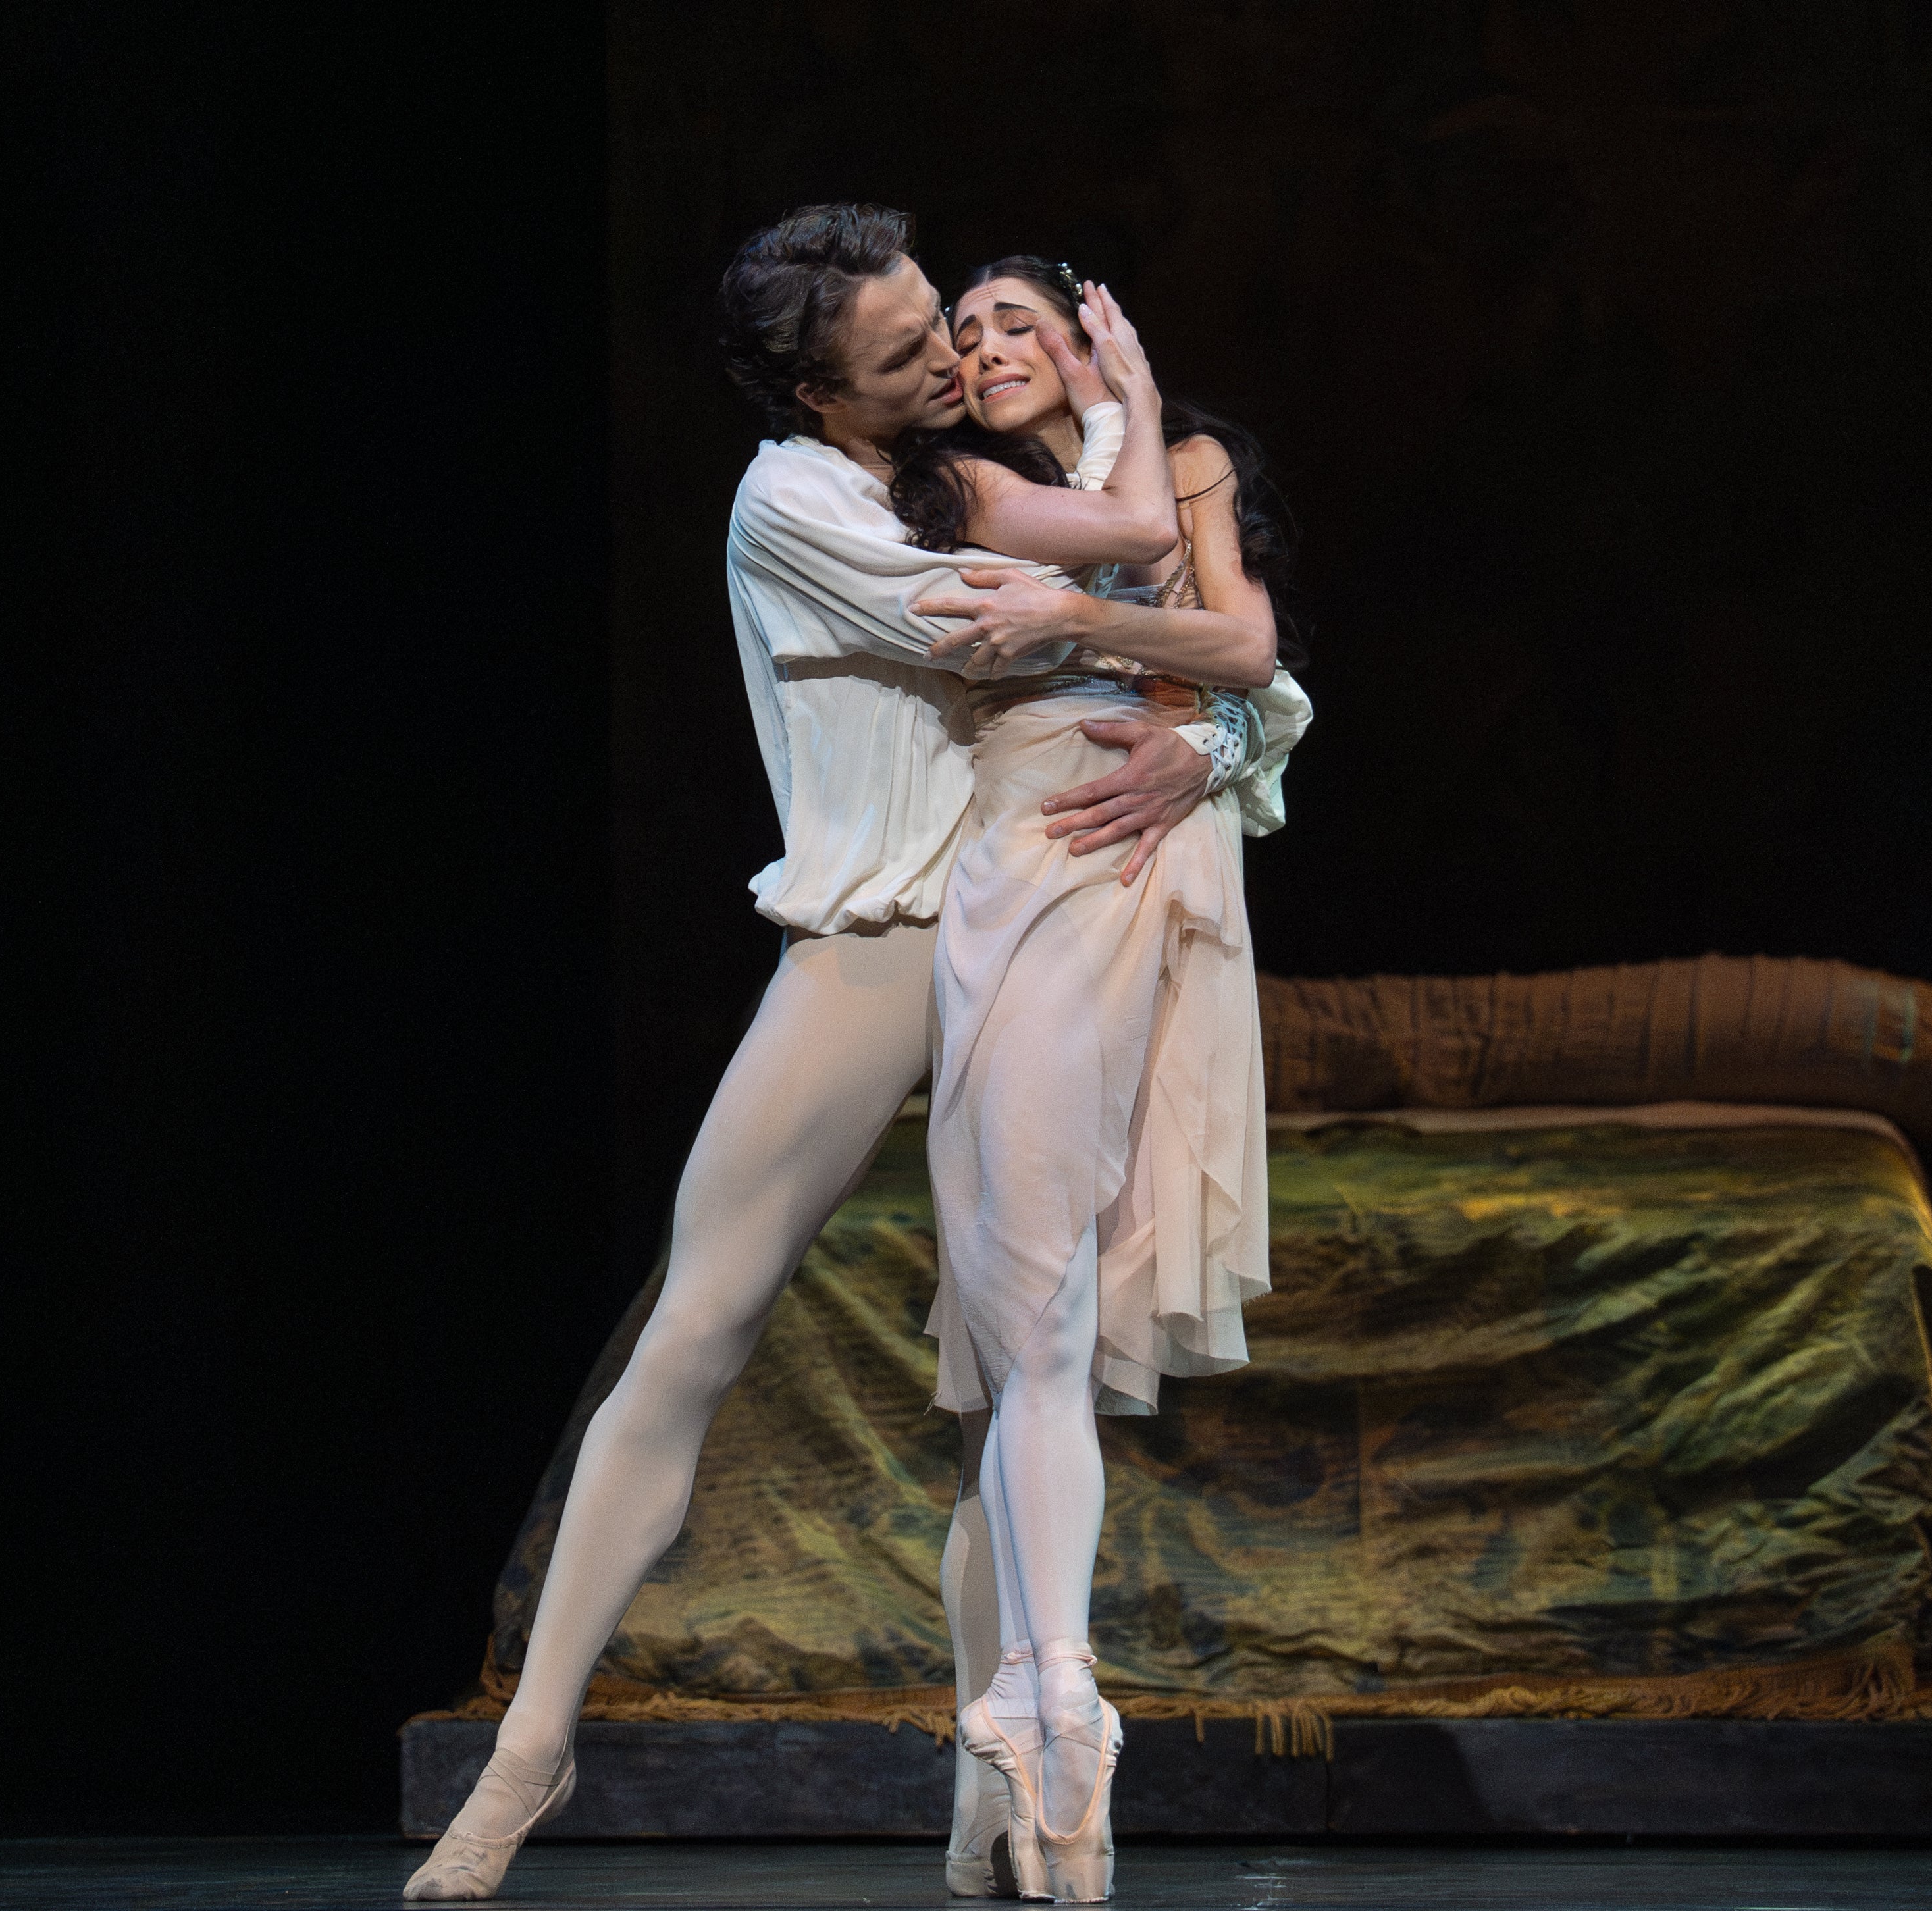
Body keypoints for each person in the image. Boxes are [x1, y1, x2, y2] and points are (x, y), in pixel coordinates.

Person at [402, 206, 1294, 1903]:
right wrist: (1151, 464)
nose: (949, 359)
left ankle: (996, 1795)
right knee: (699, 1321)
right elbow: (1072, 608)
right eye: (908, 353)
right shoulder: (802, 497)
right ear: (821, 388)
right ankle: (533, 1747)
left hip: (1035, 908)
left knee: (1011, 1363)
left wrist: (1226, 733)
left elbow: (1203, 650)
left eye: (942, 326)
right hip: (882, 944)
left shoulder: (952, 457)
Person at [889, 261, 1306, 1902]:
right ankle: (1024, 1746)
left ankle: (1032, 1736)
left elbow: (1248, 652)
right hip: (1028, 853)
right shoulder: (952, 491)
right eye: (964, 333)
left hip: (1167, 869)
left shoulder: (1181, 459)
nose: (988, 350)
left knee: (1050, 1323)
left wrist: (1189, 715)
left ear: (1091, 337)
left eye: (1019, 325)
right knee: (1022, 1329)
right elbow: (1170, 626)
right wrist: (1102, 632)